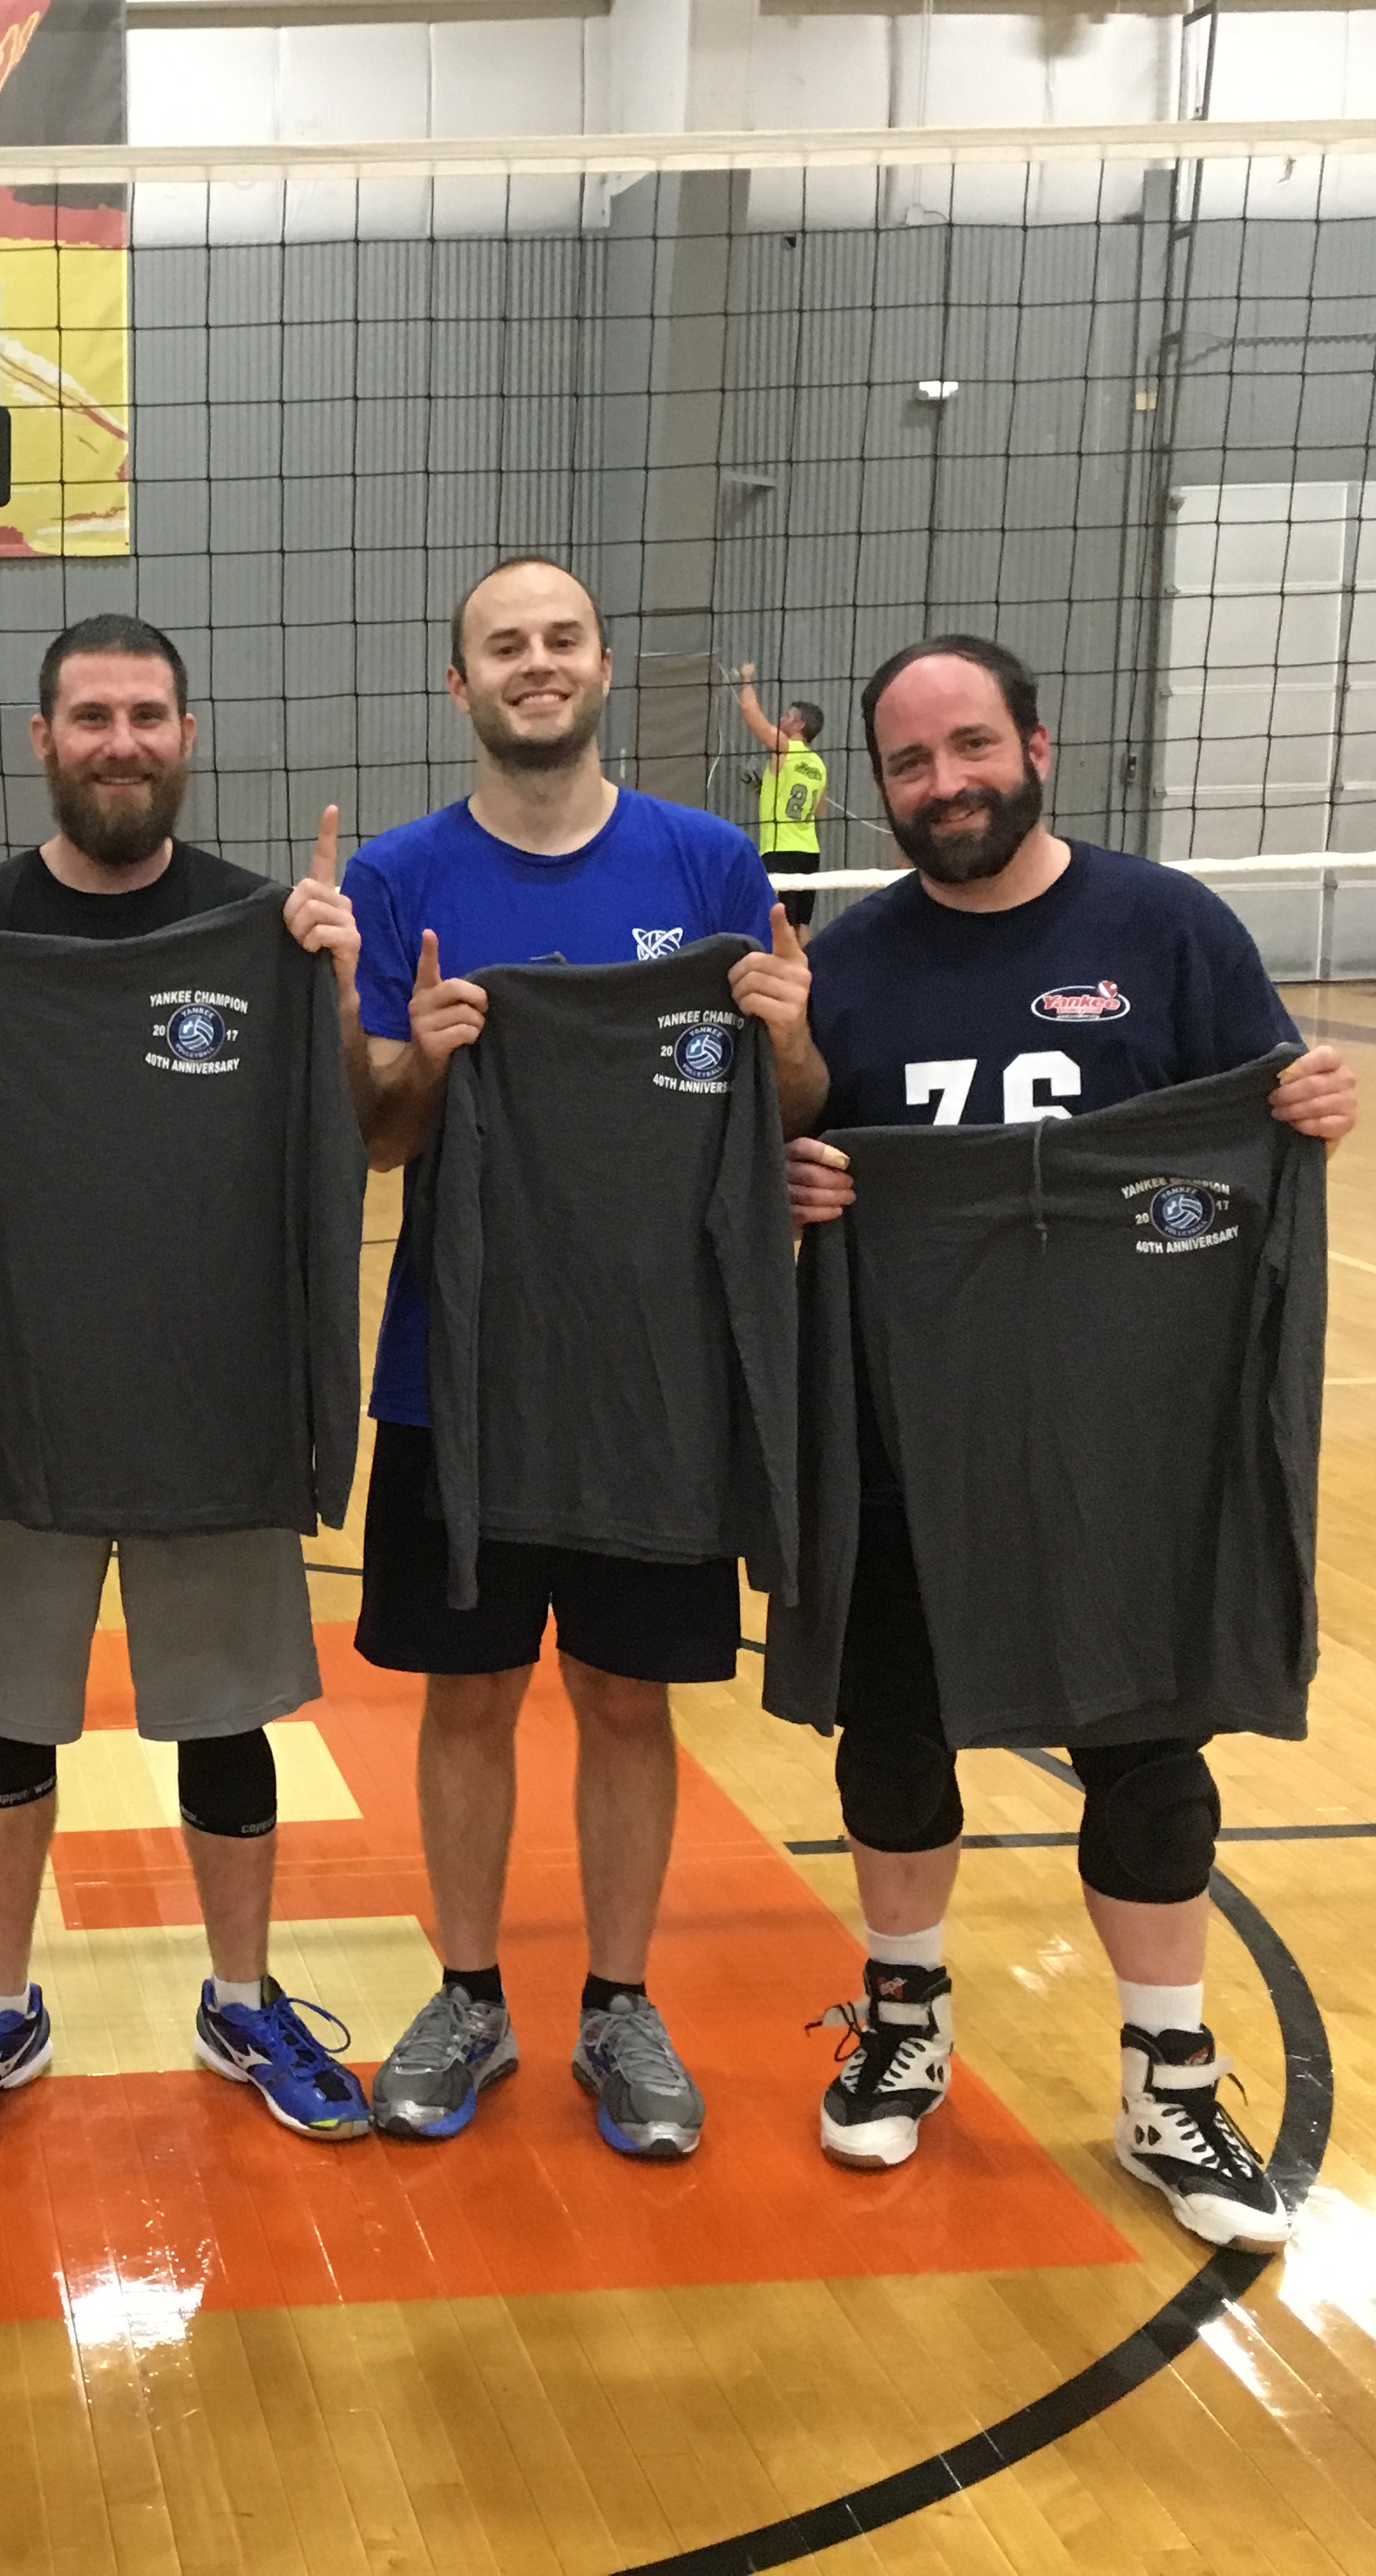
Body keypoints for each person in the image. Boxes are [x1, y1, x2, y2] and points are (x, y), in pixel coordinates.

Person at [783, 632, 1355, 2247]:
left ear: (1038, 746)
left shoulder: (1167, 929)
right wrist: (795, 1179)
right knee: (894, 1734)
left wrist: (1308, 1114)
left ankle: (1169, 2076)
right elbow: (790, 1146)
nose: (945, 782)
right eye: (910, 762)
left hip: (1125, 1428)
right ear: (880, 788)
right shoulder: (849, 966)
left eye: (971, 745)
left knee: (1146, 1744)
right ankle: (903, 2019)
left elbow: (1263, 1110)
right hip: (911, 1419)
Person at [0, 614, 373, 2147]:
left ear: (185, 734)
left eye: (144, 715)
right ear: (41, 739)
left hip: (213, 1385)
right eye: (90, 716)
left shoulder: (267, 930)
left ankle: (242, 1996)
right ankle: (0, 2005)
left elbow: (356, 1135)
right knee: (8, 1720)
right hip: (19, 1389)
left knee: (227, 1717)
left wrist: (334, 999)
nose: (118, 742)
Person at [340, 556, 825, 2156]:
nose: (535, 664)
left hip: (654, 1378)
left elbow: (788, 1107)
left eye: (560, 640)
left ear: (603, 666)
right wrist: (421, 1062)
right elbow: (377, 1133)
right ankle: (469, 1993)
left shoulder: (707, 861)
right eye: (504, 645)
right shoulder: (403, 877)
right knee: (468, 1693)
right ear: (459, 683)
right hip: (461, 1366)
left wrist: (787, 1037)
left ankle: (619, 2004)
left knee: (626, 1696)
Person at [735, 663, 831, 927]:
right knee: (799, 927)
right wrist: (764, 791)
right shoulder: (818, 765)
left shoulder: (784, 748)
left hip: (780, 852)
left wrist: (746, 679)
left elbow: (750, 711)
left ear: (798, 723)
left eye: (787, 715)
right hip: (809, 852)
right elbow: (816, 810)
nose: (781, 719)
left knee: (778, 926)